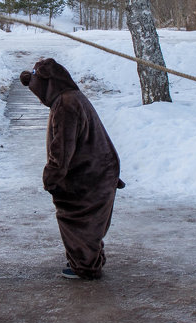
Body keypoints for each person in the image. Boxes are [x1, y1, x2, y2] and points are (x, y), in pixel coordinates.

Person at [20, 58, 124, 280]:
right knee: (88, 221)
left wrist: (52, 177)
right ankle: (89, 259)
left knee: (76, 218)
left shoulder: (65, 105)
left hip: (89, 175)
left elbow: (62, 148)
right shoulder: (70, 98)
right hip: (99, 171)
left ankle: (86, 266)